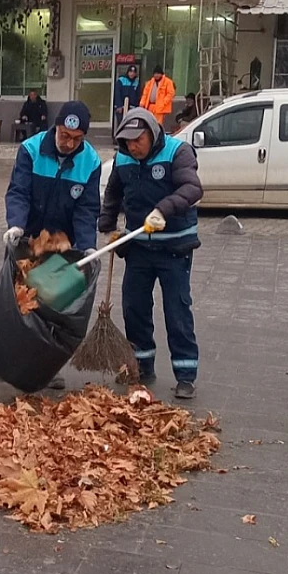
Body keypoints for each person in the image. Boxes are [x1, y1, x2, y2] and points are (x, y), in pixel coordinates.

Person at [0, 100, 103, 389]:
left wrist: (87, 245)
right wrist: (16, 224)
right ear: (56, 128)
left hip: (59, 245)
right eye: (64, 136)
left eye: (76, 139)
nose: (68, 143)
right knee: (13, 302)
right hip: (26, 238)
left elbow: (87, 208)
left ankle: (45, 365)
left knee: (52, 305)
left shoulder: (91, 162)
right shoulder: (31, 149)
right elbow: (19, 191)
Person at [98, 107, 203, 399]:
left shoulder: (177, 152)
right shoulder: (124, 158)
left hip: (174, 247)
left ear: (152, 133)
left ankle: (185, 374)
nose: (133, 146)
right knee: (134, 307)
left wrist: (163, 210)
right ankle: (141, 366)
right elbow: (114, 194)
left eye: (138, 139)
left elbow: (192, 188)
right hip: (139, 248)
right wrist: (108, 225)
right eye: (128, 141)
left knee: (177, 311)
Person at [141, 65, 176, 130]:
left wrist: (163, 102)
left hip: (160, 108)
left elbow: (171, 93)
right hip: (149, 106)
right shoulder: (150, 82)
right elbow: (145, 94)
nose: (156, 75)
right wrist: (142, 103)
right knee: (148, 123)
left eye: (158, 73)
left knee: (157, 125)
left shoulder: (168, 82)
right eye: (155, 73)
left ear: (161, 74)